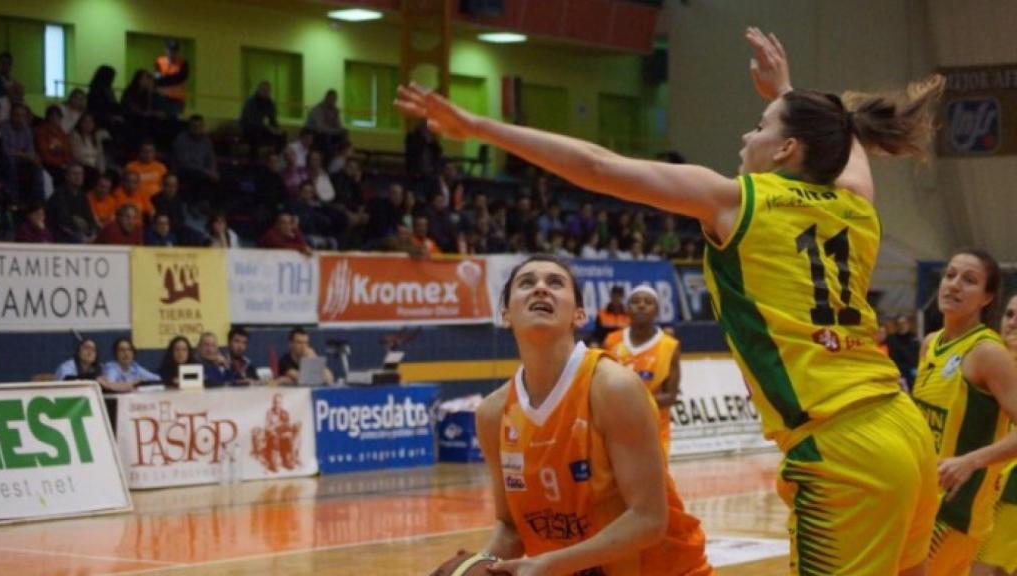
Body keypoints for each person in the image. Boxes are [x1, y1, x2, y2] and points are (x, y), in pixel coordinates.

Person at [397, 27, 945, 575]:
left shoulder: (740, 201)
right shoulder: (855, 206)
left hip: (842, 446)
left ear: (786, 149)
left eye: (760, 127)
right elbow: (841, 146)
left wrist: (479, 128)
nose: (745, 136)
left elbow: (599, 167)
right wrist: (785, 94)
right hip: (906, 429)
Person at [473, 256, 712, 575]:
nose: (541, 288)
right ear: (505, 314)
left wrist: (551, 564)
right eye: (527, 283)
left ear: (579, 315)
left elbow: (649, 520)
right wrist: (477, 566)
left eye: (555, 283)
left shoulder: (613, 387)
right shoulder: (492, 414)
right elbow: (510, 526)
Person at [912, 250, 1017, 576]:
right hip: (921, 500)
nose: (954, 285)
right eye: (950, 275)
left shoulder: (987, 353)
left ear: (987, 298)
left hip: (957, 511)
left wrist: (971, 460)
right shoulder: (931, 343)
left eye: (969, 280)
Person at [603, 284, 680, 457]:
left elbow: (670, 396)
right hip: (617, 430)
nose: (641, 305)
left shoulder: (669, 346)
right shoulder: (611, 342)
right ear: (627, 309)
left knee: (655, 483)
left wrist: (632, 401)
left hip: (654, 431)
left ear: (657, 310)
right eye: (635, 301)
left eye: (648, 302)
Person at [972, 292, 1017, 576]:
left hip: (1008, 489)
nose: (1013, 323)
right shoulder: (985, 357)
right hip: (982, 487)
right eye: (1010, 315)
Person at [172, 114, 219, 207]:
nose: (197, 129)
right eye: (194, 126)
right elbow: (185, 164)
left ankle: (213, 210)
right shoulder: (181, 139)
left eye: (199, 126)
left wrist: (213, 171)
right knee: (197, 176)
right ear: (189, 127)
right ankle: (193, 207)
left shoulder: (207, 141)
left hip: (203, 173)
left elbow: (211, 158)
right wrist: (206, 172)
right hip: (184, 172)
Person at [46, 163, 97, 243]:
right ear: (67, 176)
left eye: (81, 174)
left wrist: (92, 232)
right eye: (75, 174)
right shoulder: (59, 195)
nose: (78, 177)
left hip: (82, 233)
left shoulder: (82, 196)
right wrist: (76, 224)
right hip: (63, 235)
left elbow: (89, 217)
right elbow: (62, 221)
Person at [240, 81, 284, 155]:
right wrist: (268, 128)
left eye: (268, 91)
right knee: (255, 135)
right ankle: (254, 161)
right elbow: (250, 120)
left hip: (263, 128)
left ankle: (276, 158)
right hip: (249, 128)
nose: (266, 93)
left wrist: (277, 129)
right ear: (259, 90)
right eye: (264, 90)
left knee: (281, 136)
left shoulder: (270, 103)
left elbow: (272, 119)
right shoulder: (251, 102)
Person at [305, 89, 347, 155]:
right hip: (314, 135)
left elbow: (338, 126)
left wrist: (339, 129)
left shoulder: (334, 110)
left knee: (344, 133)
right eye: (331, 99)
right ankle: (328, 157)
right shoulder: (318, 109)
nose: (333, 101)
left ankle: (341, 156)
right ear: (326, 98)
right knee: (326, 137)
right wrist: (335, 131)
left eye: (334, 99)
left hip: (327, 134)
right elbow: (320, 128)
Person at [154, 39, 189, 117]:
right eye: (170, 49)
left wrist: (165, 78)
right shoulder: (159, 62)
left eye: (174, 50)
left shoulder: (183, 63)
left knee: (174, 122)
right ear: (166, 49)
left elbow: (181, 78)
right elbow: (157, 79)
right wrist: (172, 78)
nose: (172, 52)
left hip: (177, 99)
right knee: (160, 120)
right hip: (162, 97)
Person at [888, 314, 921, 388]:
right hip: (899, 374)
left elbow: (917, 355)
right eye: (900, 324)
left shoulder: (914, 338)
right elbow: (893, 358)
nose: (903, 326)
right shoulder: (892, 339)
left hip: (913, 374)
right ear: (897, 325)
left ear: (908, 324)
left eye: (904, 323)